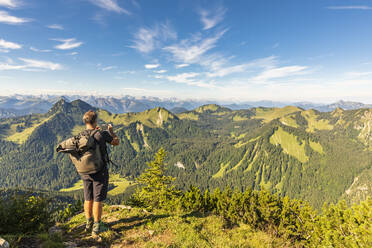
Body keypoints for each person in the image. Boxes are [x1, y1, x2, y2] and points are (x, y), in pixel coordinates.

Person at [81, 110, 119, 236]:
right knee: (97, 199)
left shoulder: (81, 135)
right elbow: (116, 142)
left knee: (88, 197)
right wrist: (111, 131)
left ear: (85, 122)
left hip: (85, 171)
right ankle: (97, 227)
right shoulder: (101, 134)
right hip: (99, 171)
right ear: (95, 121)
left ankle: (88, 223)